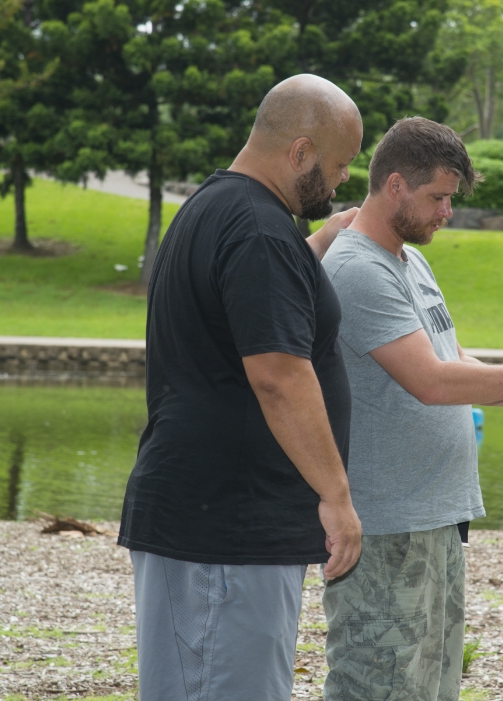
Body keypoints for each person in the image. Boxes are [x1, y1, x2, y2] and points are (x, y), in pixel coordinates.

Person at [320, 117, 503, 701]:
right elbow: (429, 381)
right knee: (378, 684)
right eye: (439, 198)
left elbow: (452, 358)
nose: (447, 212)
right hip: (388, 524)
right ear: (396, 185)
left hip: (435, 516)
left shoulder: (409, 260)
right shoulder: (357, 269)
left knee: (432, 686)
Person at [117, 74, 364, 701]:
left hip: (209, 520)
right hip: (224, 531)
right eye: (337, 166)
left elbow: (248, 302)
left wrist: (318, 241)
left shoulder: (221, 210)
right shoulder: (257, 230)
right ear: (301, 152)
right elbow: (279, 375)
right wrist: (336, 498)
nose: (339, 183)